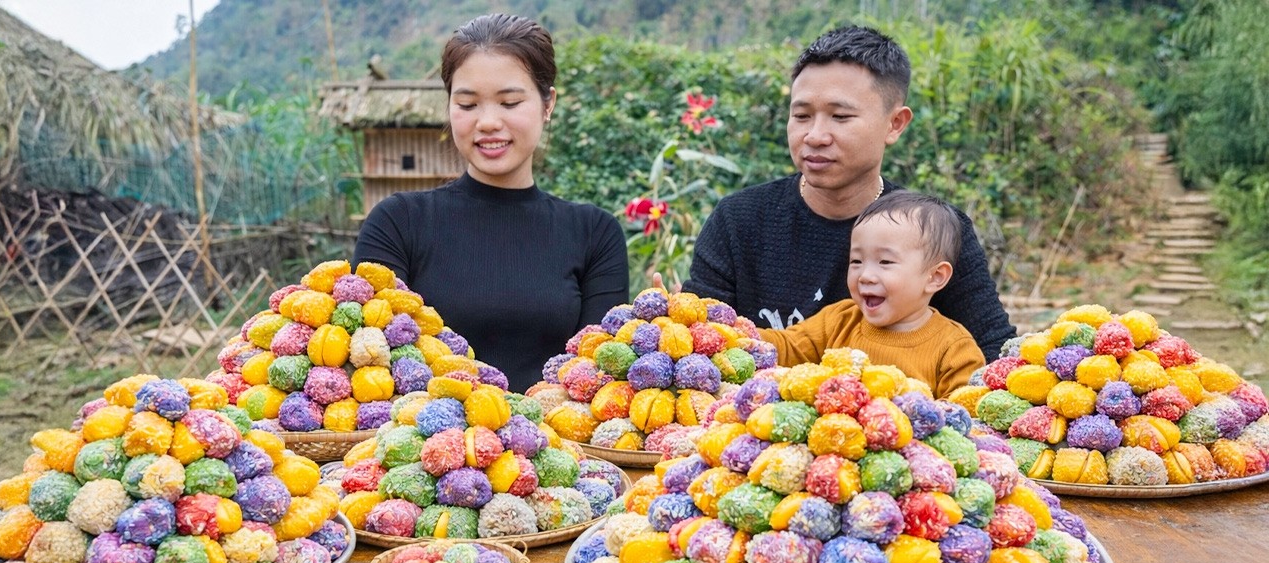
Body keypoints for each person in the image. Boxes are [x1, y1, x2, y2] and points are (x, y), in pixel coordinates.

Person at [682, 25, 1015, 361]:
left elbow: (994, 355)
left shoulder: (934, 231)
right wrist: (674, 321)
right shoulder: (739, 220)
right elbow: (705, 347)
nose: (815, 135)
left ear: (895, 124)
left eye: (840, 116)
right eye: (801, 115)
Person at [354, 14, 629, 388]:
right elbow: (372, 366)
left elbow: (598, 376)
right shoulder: (398, 223)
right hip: (424, 443)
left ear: (548, 104)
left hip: (558, 445)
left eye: (510, 102)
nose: (487, 122)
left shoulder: (595, 234)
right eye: (467, 105)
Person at [760, 191, 985, 398]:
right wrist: (741, 335)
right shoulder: (839, 320)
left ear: (935, 276)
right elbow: (785, 347)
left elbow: (963, 414)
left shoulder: (955, 349)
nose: (865, 275)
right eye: (856, 261)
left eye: (885, 261)